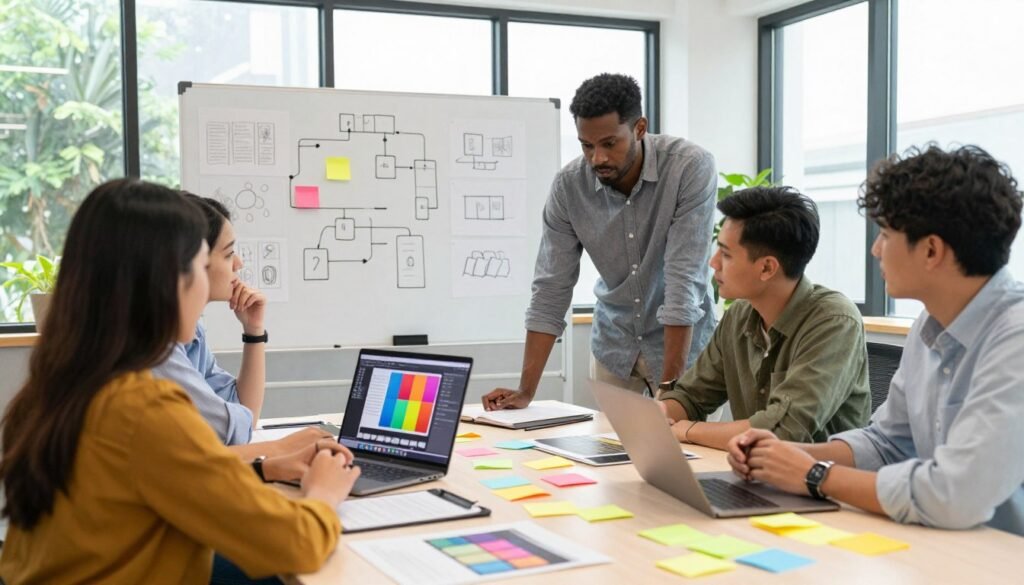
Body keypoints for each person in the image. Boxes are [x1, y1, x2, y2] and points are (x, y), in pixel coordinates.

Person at [0, 179, 361, 582]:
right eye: (201, 265)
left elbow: (164, 475)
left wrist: (265, 469)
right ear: (170, 280)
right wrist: (325, 493)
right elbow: (296, 544)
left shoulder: (63, 384)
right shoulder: (143, 407)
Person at [727, 145, 1024, 536]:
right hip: (943, 544)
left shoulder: (1015, 338)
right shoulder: (930, 324)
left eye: (885, 234)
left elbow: (956, 493)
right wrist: (783, 456)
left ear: (932, 250)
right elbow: (887, 444)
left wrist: (814, 475)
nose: (875, 249)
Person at [483, 73, 717, 410]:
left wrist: (672, 394)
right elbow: (551, 288)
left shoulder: (689, 167)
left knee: (689, 457)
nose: (597, 158)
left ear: (639, 128)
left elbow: (684, 282)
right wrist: (525, 391)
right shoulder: (568, 187)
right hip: (615, 345)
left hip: (685, 346)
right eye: (586, 145)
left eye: (609, 143)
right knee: (607, 455)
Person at [657, 186, 871, 450]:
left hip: (816, 485)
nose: (713, 263)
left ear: (767, 268)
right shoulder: (738, 315)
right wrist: (657, 417)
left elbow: (783, 429)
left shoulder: (835, 321)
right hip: (750, 475)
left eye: (725, 254)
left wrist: (687, 430)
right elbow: (691, 396)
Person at [152, 194, 326, 464]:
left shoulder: (192, 332)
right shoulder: (155, 344)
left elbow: (243, 414)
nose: (238, 265)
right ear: (189, 263)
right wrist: (279, 449)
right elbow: (231, 430)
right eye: (229, 253)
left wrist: (253, 331)